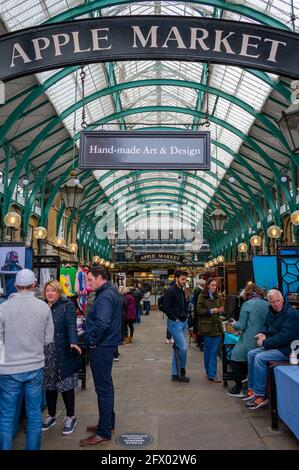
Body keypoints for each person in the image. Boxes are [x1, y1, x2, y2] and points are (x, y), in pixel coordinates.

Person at [0, 269, 54, 450]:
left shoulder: (3, 308)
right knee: (33, 415)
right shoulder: (43, 307)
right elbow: (48, 339)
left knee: (7, 415)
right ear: (34, 286)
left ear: (15, 286)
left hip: (9, 369)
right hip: (35, 367)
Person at [80, 266, 122, 446]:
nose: (88, 283)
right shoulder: (110, 291)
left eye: (90, 279)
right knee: (106, 386)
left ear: (99, 277)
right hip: (108, 344)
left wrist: (92, 339)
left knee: (103, 388)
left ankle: (103, 431)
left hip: (102, 346)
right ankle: (107, 423)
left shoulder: (104, 296)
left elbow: (103, 322)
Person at [244, 289, 299, 410]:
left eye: (278, 301)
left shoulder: (292, 314)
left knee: (259, 357)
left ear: (283, 299)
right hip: (278, 346)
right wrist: (262, 333)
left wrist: (265, 342)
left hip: (289, 350)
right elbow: (267, 325)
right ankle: (252, 389)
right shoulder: (272, 311)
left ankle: (261, 395)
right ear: (269, 302)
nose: (276, 304)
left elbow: (284, 337)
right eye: (273, 302)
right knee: (251, 354)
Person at [42, 280, 81, 435]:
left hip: (64, 350)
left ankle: (71, 416)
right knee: (49, 385)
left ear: (59, 292)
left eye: (53, 290)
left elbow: (71, 325)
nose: (50, 293)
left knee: (66, 386)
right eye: (47, 291)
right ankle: (51, 415)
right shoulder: (41, 306)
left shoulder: (67, 305)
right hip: (46, 352)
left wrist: (73, 341)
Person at [227, 283, 268, 397]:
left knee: (234, 358)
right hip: (262, 339)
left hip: (248, 340)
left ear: (247, 293)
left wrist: (234, 323)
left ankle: (239, 388)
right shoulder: (266, 303)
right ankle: (248, 382)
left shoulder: (247, 304)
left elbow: (241, 326)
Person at [163, 270, 190, 383]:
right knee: (183, 348)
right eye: (182, 279)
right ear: (176, 278)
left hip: (182, 322)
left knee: (178, 349)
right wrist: (175, 318)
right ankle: (181, 371)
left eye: (185, 279)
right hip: (175, 323)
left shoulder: (180, 289)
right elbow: (166, 307)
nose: (184, 281)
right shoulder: (171, 290)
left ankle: (175, 373)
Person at [197, 277, 224, 383]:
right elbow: (199, 311)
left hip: (216, 327)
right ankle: (210, 373)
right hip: (207, 327)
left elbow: (221, 307)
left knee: (213, 351)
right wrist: (211, 311)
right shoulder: (202, 296)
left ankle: (211, 373)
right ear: (208, 285)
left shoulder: (218, 297)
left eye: (215, 285)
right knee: (209, 350)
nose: (214, 287)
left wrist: (220, 310)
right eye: (212, 285)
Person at [193, 279, 206, 351]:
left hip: (196, 311)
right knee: (199, 326)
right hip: (199, 311)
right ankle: (200, 343)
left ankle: (199, 342)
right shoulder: (199, 291)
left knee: (197, 326)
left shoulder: (196, 290)